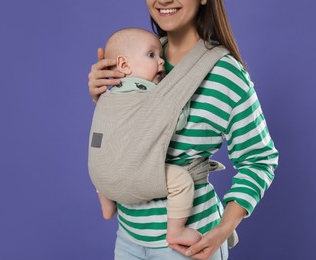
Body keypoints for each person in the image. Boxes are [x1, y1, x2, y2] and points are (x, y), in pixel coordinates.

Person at [88, 1, 279, 259]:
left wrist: (223, 230)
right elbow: (122, 138)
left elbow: (259, 160)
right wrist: (104, 99)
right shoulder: (137, 57)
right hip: (128, 235)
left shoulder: (225, 74)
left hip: (188, 243)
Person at [95, 27, 201, 246]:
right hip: (134, 173)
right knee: (181, 181)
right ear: (124, 65)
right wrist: (183, 98)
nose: (161, 62)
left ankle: (106, 204)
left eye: (161, 57)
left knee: (101, 160)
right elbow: (175, 121)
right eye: (152, 55)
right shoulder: (150, 92)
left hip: (101, 173)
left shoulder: (108, 93)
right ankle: (176, 231)